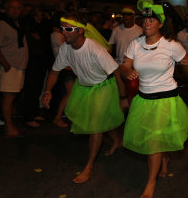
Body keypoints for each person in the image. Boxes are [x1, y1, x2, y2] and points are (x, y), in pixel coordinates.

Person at [121, 0, 188, 198]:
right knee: (154, 140)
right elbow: (124, 65)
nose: (147, 23)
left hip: (166, 99)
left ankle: (151, 182)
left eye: (152, 20)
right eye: (145, 20)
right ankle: (163, 159)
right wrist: (126, 72)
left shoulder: (170, 45)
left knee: (153, 143)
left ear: (161, 23)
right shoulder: (135, 44)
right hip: (143, 99)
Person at [41, 14, 126, 184]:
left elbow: (116, 72)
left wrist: (123, 97)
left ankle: (89, 166)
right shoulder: (65, 48)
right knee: (101, 122)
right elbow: (55, 71)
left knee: (95, 126)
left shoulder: (95, 49)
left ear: (80, 30)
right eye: (62, 28)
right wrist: (47, 91)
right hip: (84, 88)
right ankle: (117, 140)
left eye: (69, 29)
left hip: (104, 87)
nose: (64, 32)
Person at [0, 0, 28, 138]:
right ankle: (9, 128)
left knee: (11, 97)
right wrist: (6, 65)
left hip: (17, 67)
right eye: (12, 8)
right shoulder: (1, 24)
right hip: (9, 67)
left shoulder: (15, 24)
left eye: (18, 8)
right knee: (8, 97)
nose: (15, 10)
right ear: (6, 9)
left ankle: (9, 124)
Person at [109, 6, 143, 104]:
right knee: (121, 95)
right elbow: (110, 49)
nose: (126, 16)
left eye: (129, 14)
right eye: (124, 14)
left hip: (134, 66)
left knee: (133, 94)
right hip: (119, 65)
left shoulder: (140, 30)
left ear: (134, 16)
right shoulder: (116, 30)